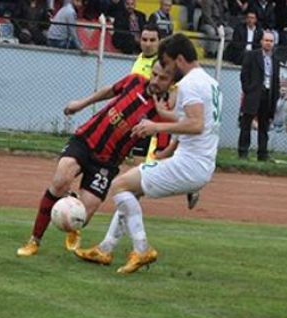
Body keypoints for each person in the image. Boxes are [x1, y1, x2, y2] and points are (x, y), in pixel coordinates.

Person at [75, 33, 222, 274]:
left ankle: (142, 249)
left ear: (179, 59)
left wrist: (157, 126)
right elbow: (198, 121)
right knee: (131, 189)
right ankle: (105, 248)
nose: (164, 67)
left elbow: (196, 125)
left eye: (166, 61)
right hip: (197, 162)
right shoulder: (210, 82)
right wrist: (167, 135)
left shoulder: (190, 84)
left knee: (120, 185)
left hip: (190, 165)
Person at [16, 60, 177, 257]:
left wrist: (171, 157)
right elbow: (109, 91)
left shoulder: (164, 114)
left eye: (162, 78)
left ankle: (73, 218)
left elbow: (161, 150)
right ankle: (34, 240)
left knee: (81, 216)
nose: (155, 80)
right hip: (85, 139)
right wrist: (81, 104)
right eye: (154, 74)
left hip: (107, 163)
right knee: (60, 180)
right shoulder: (134, 81)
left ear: (172, 82)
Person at [130, 24, 201, 209]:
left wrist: (168, 107)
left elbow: (178, 87)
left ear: (159, 41)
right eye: (144, 39)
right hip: (144, 114)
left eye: (152, 40)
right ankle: (132, 200)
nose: (147, 44)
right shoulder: (138, 61)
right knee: (139, 158)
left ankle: (191, 185)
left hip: (162, 115)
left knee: (164, 156)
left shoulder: (165, 63)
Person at [238, 31, 280, 162]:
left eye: (271, 41)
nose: (268, 43)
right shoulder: (252, 55)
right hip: (254, 94)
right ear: (261, 41)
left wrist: (275, 95)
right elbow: (244, 75)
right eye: (266, 40)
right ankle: (243, 152)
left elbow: (276, 79)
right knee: (246, 124)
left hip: (268, 96)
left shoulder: (275, 60)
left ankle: (262, 154)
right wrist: (248, 90)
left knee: (264, 127)